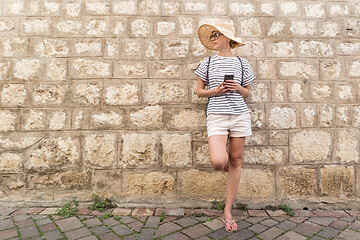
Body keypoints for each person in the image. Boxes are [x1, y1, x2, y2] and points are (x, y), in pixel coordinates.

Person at [195, 22, 255, 232]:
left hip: (239, 115)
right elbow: (199, 92)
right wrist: (216, 91)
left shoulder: (242, 63)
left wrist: (237, 87)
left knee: (236, 161)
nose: (213, 39)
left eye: (216, 35)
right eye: (211, 36)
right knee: (219, 161)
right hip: (217, 115)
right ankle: (225, 155)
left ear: (227, 38)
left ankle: (227, 210)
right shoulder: (208, 63)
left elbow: (247, 93)